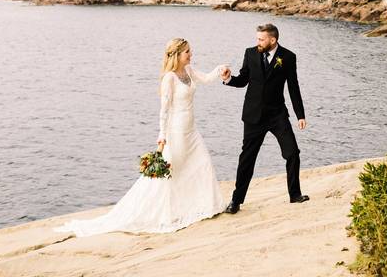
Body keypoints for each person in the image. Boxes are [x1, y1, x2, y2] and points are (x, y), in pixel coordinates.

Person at [54, 38, 229, 236]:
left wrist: (220, 69)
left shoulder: (188, 71)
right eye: (188, 52)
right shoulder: (169, 78)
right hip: (176, 131)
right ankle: (165, 213)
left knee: (202, 163)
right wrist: (162, 135)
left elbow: (205, 78)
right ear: (177, 55)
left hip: (191, 129)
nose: (191, 54)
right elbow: (164, 110)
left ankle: (206, 206)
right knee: (172, 173)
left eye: (190, 51)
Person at [220, 23, 308, 213]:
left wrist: (300, 115)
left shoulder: (288, 57)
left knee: (292, 153)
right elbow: (243, 80)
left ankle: (295, 195)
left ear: (272, 40)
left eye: (261, 39)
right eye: (257, 38)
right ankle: (236, 201)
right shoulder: (250, 53)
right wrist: (228, 79)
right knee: (247, 159)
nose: (257, 42)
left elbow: (293, 87)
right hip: (253, 116)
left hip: (277, 115)